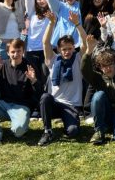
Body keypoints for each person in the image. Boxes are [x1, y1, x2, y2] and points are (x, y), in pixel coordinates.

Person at [0, 39, 44, 145]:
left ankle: (19, 124)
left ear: (23, 51)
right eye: (13, 52)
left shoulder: (29, 67)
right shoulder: (2, 65)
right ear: (7, 52)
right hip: (3, 105)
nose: (16, 54)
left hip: (21, 107)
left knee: (18, 132)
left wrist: (33, 80)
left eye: (19, 51)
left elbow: (39, 92)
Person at [37, 11, 84, 146]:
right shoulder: (53, 59)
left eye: (69, 48)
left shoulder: (78, 59)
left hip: (71, 106)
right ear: (58, 49)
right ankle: (48, 131)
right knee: (45, 97)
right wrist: (51, 23)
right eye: (64, 49)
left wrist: (77, 24)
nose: (67, 52)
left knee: (73, 132)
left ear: (74, 48)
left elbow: (85, 44)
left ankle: (68, 123)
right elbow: (45, 42)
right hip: (55, 103)